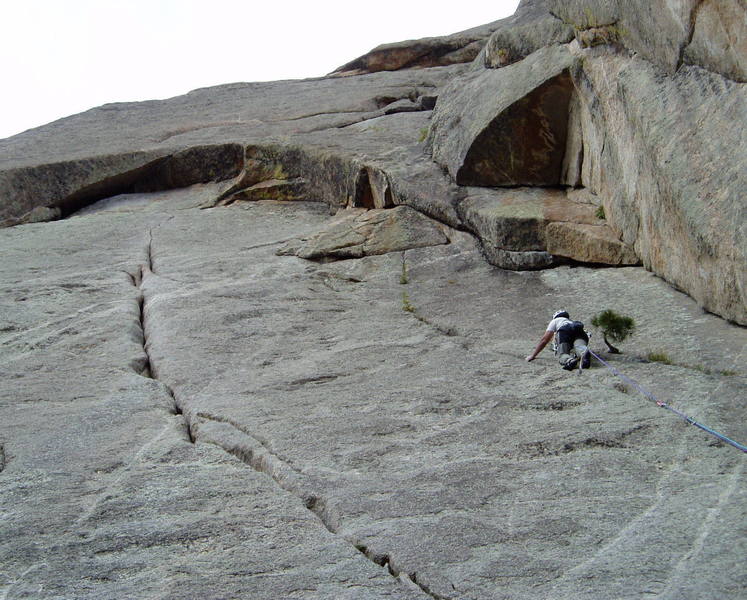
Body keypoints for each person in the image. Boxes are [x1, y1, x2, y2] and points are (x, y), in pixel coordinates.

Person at [525, 310, 590, 370]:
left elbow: (544, 340)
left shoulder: (555, 321)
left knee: (563, 354)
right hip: (581, 332)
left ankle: (569, 360)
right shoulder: (571, 321)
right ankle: (584, 353)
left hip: (565, 331)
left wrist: (533, 355)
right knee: (579, 346)